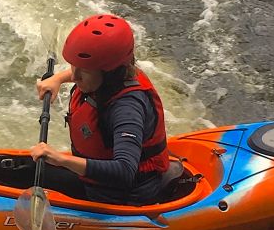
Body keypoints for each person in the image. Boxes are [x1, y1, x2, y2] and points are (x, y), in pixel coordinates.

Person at [30, 14, 170, 206]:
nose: (75, 77)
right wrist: (58, 79)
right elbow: (85, 70)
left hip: (121, 196)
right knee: (17, 169)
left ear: (110, 72)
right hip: (95, 182)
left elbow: (124, 171)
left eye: (84, 71)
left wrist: (61, 159)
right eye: (73, 67)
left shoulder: (127, 108)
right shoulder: (114, 74)